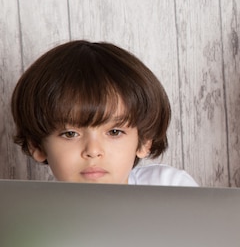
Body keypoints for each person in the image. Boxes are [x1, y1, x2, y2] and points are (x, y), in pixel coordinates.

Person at [11, 40, 197, 186]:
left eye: (114, 132)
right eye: (70, 134)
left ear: (145, 140)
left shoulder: (168, 188)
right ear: (37, 146)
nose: (93, 151)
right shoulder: (35, 218)